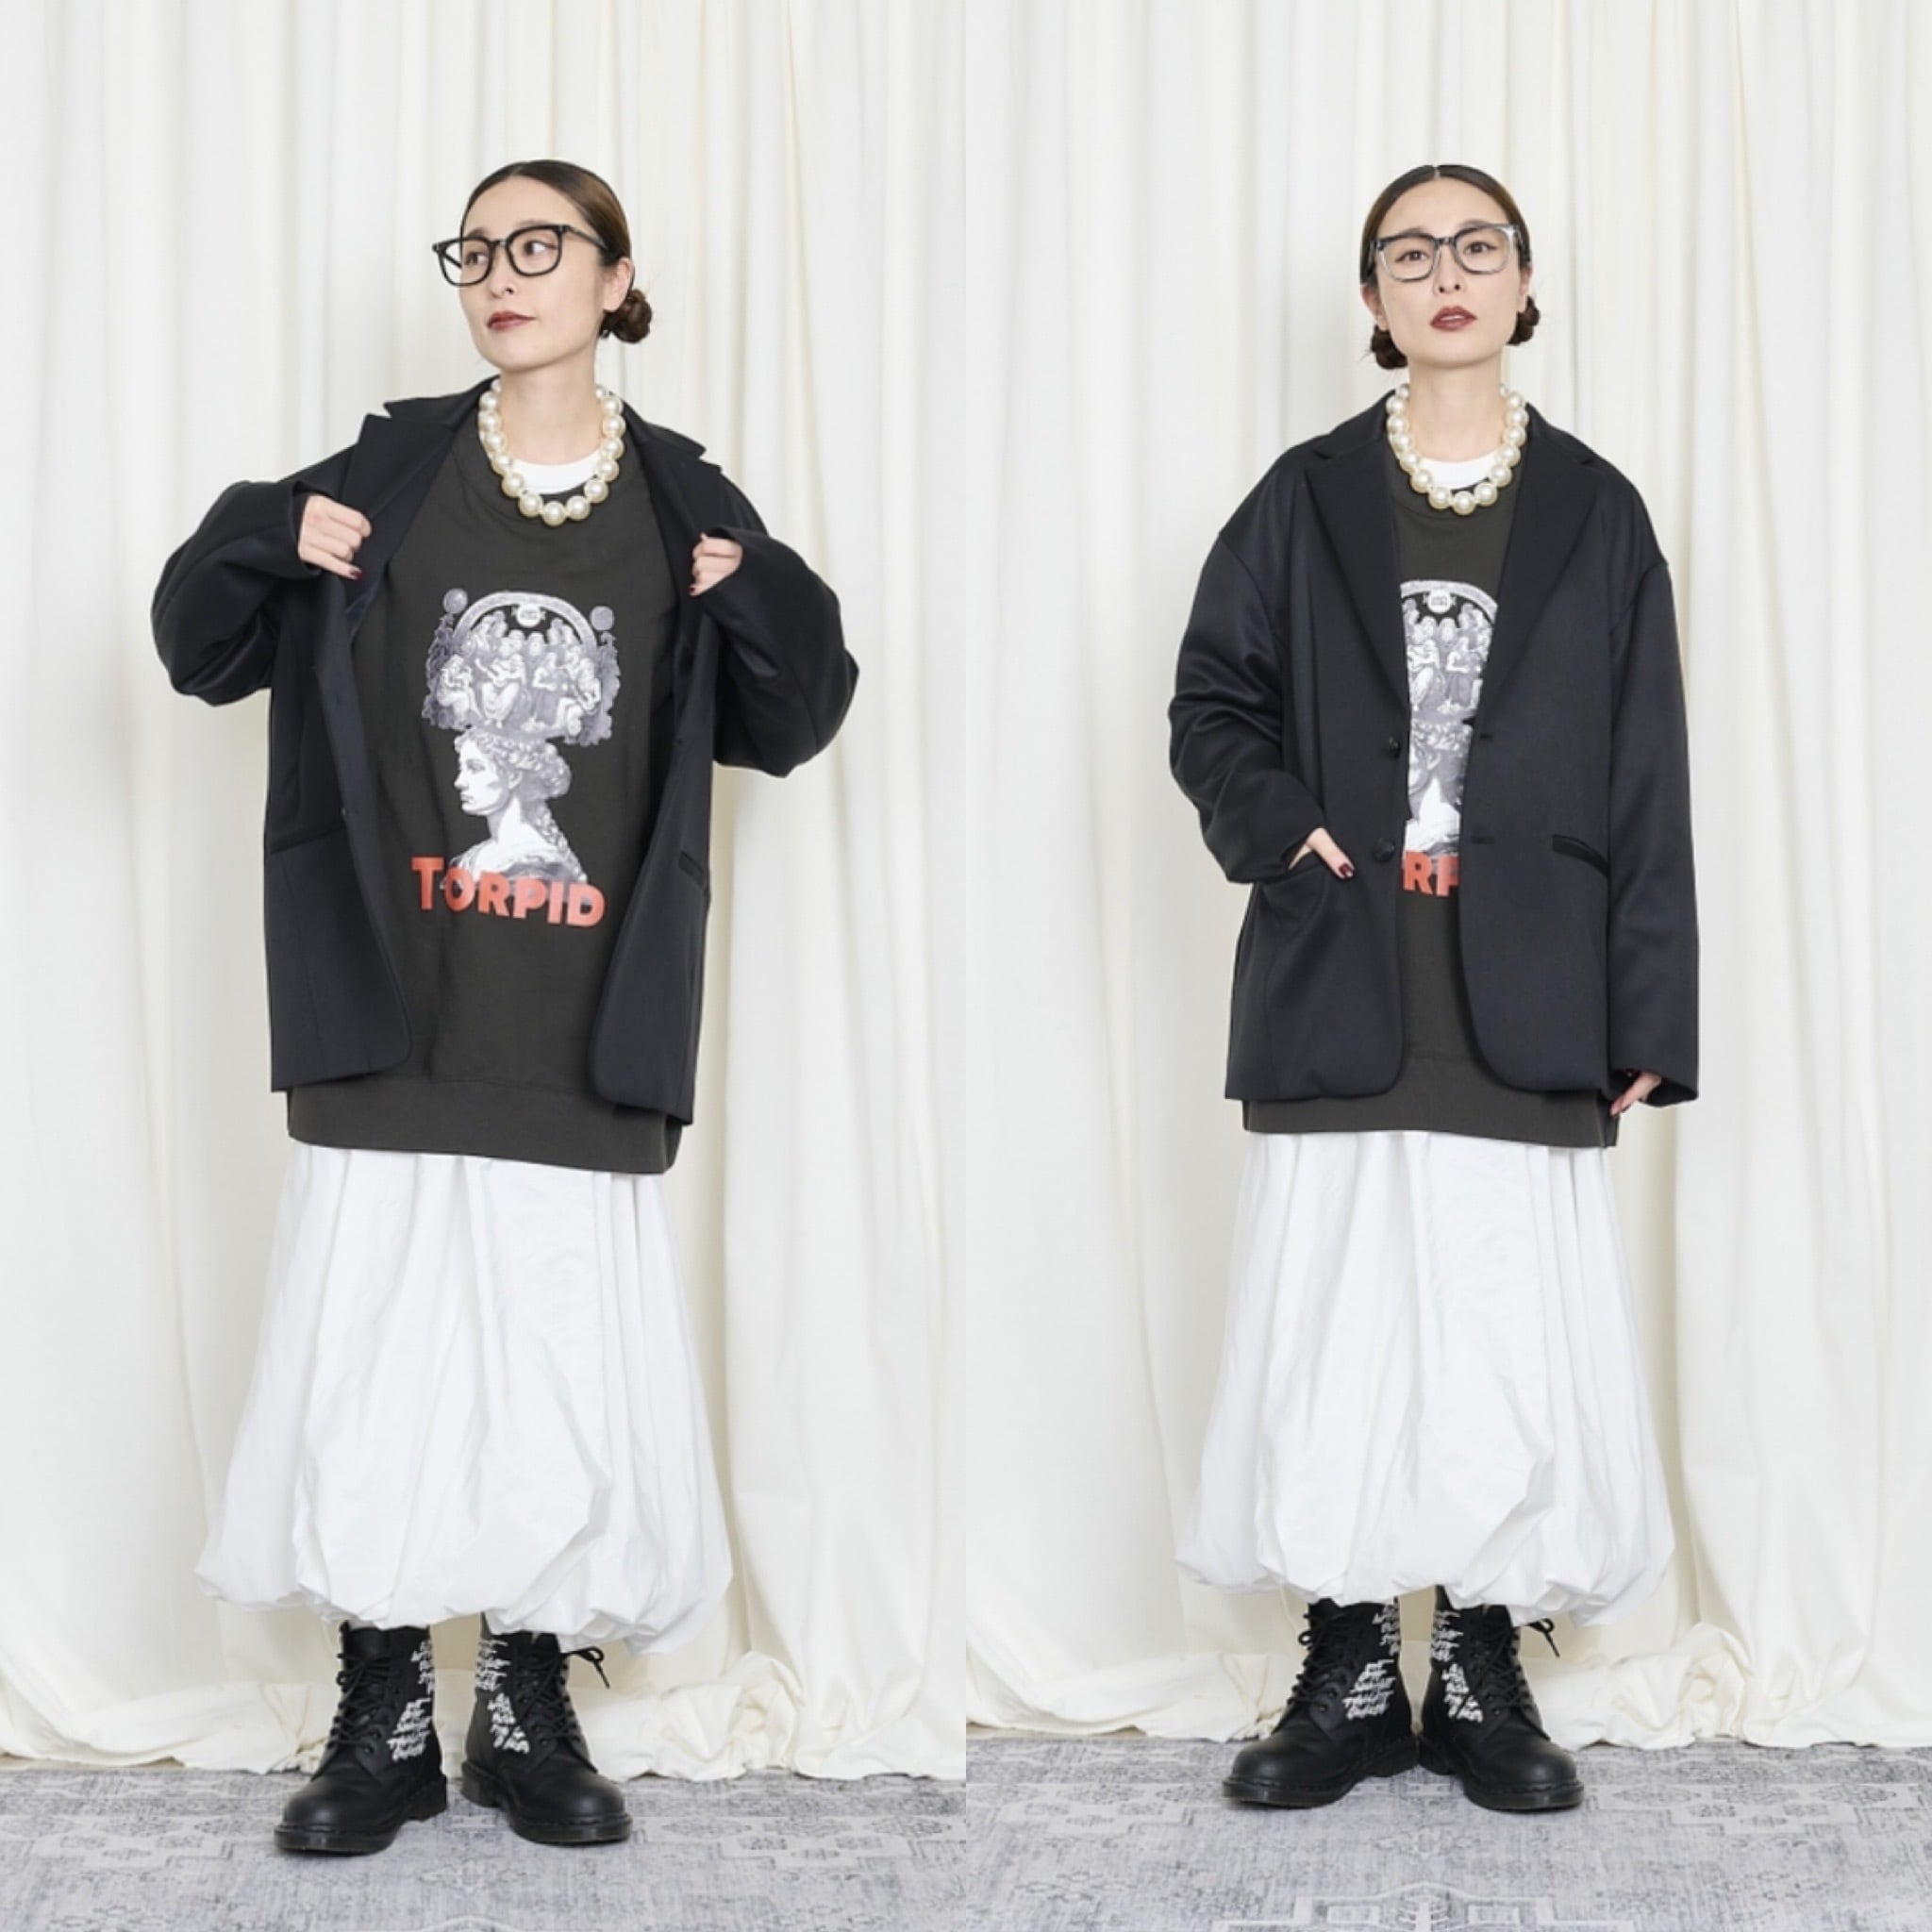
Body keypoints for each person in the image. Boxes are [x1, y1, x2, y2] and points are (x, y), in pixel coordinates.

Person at [151, 158, 857, 1855]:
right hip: (390, 997)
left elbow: (797, 712)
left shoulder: (680, 499)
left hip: (584, 1012)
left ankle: (527, 1706)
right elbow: (196, 645)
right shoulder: (381, 476)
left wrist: (749, 589)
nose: (501, 273)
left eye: (542, 245)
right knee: (376, 1355)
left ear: (617, 279)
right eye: (477, 249)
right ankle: (385, 1710)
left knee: (558, 1355)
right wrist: (259, 533)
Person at [1167, 162, 1697, 1816]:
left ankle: (1473, 1665)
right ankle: (1343, 1665)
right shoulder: (1304, 496)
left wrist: (1649, 1012)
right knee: (1337, 1326)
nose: (1446, 272)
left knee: (1498, 1329)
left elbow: (1648, 771)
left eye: (1477, 247)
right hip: (1343, 975)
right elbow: (1211, 704)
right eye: (1411, 253)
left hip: (1531, 991)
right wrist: (1292, 835)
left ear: (1523, 284)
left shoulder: (1597, 510)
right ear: (1375, 300)